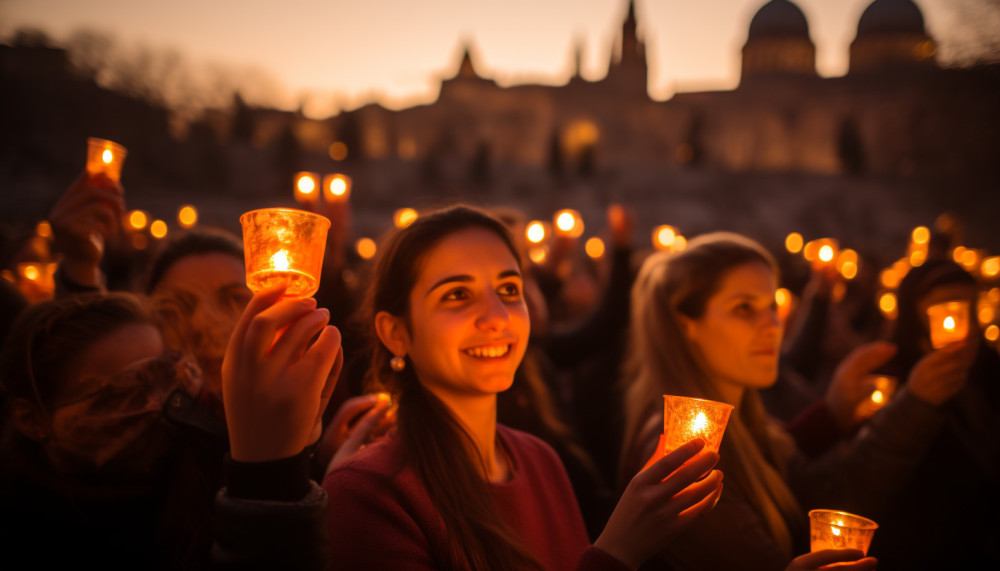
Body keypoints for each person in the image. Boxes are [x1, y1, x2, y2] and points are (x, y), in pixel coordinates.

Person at [323, 205, 724, 570]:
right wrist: (619, 552)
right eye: (458, 295)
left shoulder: (540, 460)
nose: (497, 317)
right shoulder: (369, 494)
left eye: (509, 289)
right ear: (396, 332)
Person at [619, 232, 942, 571]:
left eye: (772, 305)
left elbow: (826, 494)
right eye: (744, 308)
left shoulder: (751, 427)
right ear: (687, 326)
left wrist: (901, 406)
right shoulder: (684, 451)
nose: (773, 324)